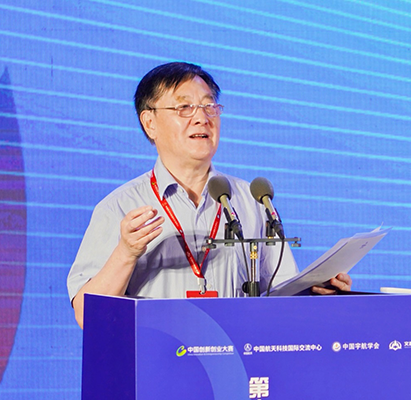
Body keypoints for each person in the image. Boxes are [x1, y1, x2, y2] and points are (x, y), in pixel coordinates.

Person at [67, 62, 352, 328]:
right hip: (160, 357)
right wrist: (126, 253)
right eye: (184, 107)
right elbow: (86, 314)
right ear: (149, 122)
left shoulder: (253, 199)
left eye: (209, 106)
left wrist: (315, 290)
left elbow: (282, 295)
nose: (202, 118)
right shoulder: (120, 207)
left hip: (237, 357)